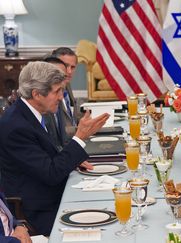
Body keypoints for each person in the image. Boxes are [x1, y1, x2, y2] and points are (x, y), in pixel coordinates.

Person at [0, 61, 110, 235]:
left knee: (108, 200)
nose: (61, 97)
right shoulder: (16, 126)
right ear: (36, 94)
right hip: (37, 211)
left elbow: (45, 159)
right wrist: (80, 137)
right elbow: (51, 173)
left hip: (52, 195)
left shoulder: (34, 113)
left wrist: (72, 160)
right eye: (57, 91)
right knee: (105, 227)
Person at [51, 47, 79, 144]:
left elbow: (72, 117)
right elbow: (54, 131)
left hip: (74, 140)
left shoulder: (67, 84)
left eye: (73, 67)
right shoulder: (49, 92)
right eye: (66, 66)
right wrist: (80, 130)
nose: (69, 71)